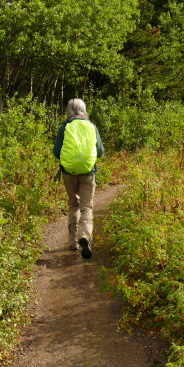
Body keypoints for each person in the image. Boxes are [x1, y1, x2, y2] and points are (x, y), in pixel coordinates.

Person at [53, 98, 104, 259]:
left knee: (73, 204)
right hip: (88, 172)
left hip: (68, 172)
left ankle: (73, 242)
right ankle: (84, 236)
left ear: (68, 111)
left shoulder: (64, 128)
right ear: (84, 110)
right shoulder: (92, 127)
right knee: (86, 206)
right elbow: (100, 151)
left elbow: (56, 152)